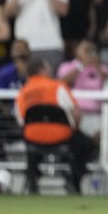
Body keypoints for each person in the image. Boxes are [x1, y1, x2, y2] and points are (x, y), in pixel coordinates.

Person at [15, 57, 95, 195]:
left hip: (33, 138)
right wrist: (72, 128)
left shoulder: (23, 92)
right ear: (42, 69)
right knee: (88, 144)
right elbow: (75, 113)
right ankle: (73, 179)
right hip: (61, 137)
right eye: (48, 67)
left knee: (31, 144)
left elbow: (20, 120)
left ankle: (33, 178)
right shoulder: (57, 86)